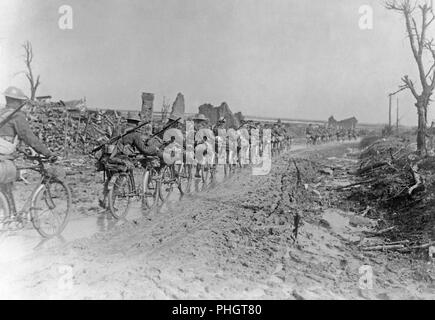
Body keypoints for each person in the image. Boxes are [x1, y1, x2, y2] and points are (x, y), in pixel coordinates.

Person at [0, 86, 56, 213]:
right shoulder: (17, 116)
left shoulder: (2, 114)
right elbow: (28, 137)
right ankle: (10, 217)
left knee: (5, 189)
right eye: (20, 102)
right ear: (17, 101)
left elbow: (6, 137)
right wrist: (47, 153)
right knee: (9, 179)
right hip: (4, 158)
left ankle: (10, 215)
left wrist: (22, 150)